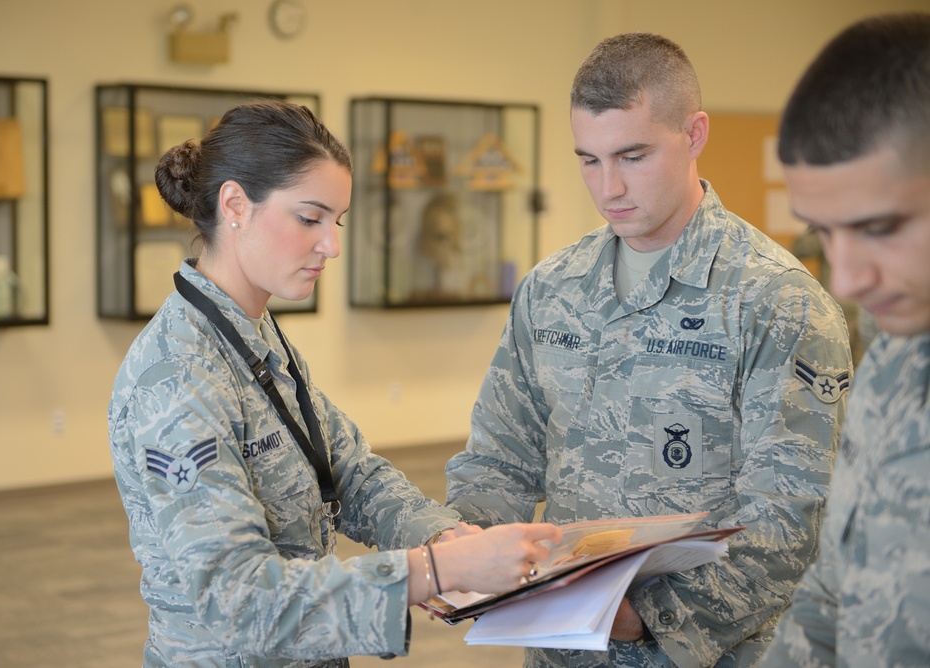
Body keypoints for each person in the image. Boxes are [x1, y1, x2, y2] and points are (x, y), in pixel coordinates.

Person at [444, 33, 852, 667]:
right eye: (588, 159)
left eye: (632, 156)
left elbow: (792, 519)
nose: (609, 188)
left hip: (709, 653)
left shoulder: (776, 301)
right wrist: (461, 553)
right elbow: (501, 457)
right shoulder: (551, 289)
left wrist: (647, 618)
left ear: (693, 135)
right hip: (563, 649)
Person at [107, 99, 561, 668]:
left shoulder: (256, 331)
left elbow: (348, 470)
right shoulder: (177, 374)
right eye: (309, 218)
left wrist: (444, 537)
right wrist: (438, 572)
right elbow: (242, 599)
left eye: (337, 222)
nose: (332, 246)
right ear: (235, 205)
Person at [761, 13, 930, 667]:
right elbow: (833, 592)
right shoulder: (892, 354)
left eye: (880, 227)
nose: (851, 279)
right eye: (824, 232)